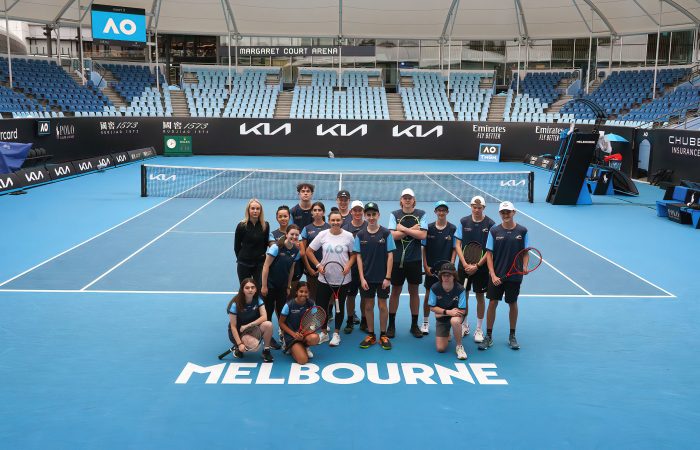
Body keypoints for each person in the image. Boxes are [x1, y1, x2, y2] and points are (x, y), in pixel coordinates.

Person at [479, 201, 530, 351]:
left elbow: (525, 252)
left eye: (508, 212)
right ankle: (488, 336)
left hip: (514, 276)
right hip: (497, 275)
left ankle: (512, 336)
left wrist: (525, 266)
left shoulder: (522, 231)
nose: (506, 214)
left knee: (512, 303)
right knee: (492, 303)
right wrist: (493, 274)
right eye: (503, 212)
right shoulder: (494, 231)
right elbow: (489, 254)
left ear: (514, 212)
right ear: (500, 214)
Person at [306, 210, 356, 347]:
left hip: (342, 279)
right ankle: (323, 332)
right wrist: (318, 265)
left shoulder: (349, 236)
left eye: (338, 220)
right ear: (329, 220)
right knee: (322, 307)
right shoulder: (323, 235)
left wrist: (348, 266)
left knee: (339, 308)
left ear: (342, 221)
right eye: (333, 220)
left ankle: (336, 334)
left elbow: (354, 255)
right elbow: (308, 251)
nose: (335, 223)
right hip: (324, 278)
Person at [454, 195, 495, 344]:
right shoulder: (463, 222)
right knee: (463, 296)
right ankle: (465, 325)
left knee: (479, 297)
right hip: (464, 266)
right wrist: (464, 263)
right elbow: (457, 244)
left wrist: (477, 266)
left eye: (479, 207)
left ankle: (479, 328)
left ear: (484, 208)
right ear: (471, 206)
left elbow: (490, 249)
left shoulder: (490, 224)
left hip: (481, 268)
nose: (476, 210)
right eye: (474, 207)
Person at [388, 188, 428, 339]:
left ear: (413, 200)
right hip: (397, 260)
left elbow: (423, 234)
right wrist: (413, 230)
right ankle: (391, 325)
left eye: (409, 197)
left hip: (414, 260)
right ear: (401, 200)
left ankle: (414, 325)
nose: (407, 200)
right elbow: (392, 236)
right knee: (395, 292)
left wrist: (403, 229)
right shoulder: (394, 214)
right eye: (405, 197)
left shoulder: (421, 214)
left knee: (414, 292)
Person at [355, 202, 395, 350]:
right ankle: (371, 335)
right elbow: (358, 257)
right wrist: (362, 278)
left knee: (382, 305)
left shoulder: (386, 233)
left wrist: (388, 277)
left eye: (374, 214)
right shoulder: (360, 235)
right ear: (365, 216)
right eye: (369, 215)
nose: (371, 217)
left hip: (382, 278)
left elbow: (390, 256)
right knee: (369, 305)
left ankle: (383, 334)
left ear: (378, 215)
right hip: (367, 278)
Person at [261, 225, 301, 350]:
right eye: (292, 234)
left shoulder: (296, 250)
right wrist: (264, 285)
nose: (294, 237)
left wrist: (288, 285)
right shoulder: (276, 248)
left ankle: (285, 336)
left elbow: (292, 269)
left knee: (282, 313)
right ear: (287, 234)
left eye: (296, 235)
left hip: (282, 286)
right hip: (270, 285)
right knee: (267, 312)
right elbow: (266, 266)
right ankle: (267, 337)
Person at [420, 200, 456, 335]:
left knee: (449, 296)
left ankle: (449, 325)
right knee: (429, 295)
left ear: (447, 212)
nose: (441, 212)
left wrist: (451, 265)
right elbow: (423, 248)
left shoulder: (452, 229)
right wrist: (425, 265)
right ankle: (425, 322)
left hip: (447, 271)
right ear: (435, 212)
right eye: (439, 210)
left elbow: (454, 249)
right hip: (432, 269)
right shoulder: (428, 228)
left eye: (443, 210)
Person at [227, 278, 274, 362]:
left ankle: (266, 351)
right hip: (239, 332)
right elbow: (233, 326)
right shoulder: (235, 304)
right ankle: (237, 346)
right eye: (247, 288)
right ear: (242, 290)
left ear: (256, 289)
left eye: (253, 287)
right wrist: (240, 343)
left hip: (251, 329)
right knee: (254, 346)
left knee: (268, 324)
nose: (250, 290)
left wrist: (247, 326)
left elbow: (264, 317)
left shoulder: (258, 300)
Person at [428, 263, 467, 360]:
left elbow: (462, 310)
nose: (446, 277)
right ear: (441, 276)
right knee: (440, 349)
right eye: (444, 275)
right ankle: (447, 332)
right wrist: (447, 312)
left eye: (449, 275)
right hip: (444, 315)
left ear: (454, 276)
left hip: (456, 315)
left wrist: (443, 313)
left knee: (454, 321)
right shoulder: (435, 288)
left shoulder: (460, 289)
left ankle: (459, 346)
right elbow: (432, 307)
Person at [279, 282, 321, 365]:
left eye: (306, 292)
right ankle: (290, 347)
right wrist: (294, 334)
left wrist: (308, 331)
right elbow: (281, 323)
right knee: (303, 360)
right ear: (296, 292)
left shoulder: (312, 304)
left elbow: (315, 321)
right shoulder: (288, 305)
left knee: (315, 338)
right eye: (301, 291)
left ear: (308, 293)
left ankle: (305, 346)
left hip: (305, 333)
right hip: (291, 335)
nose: (303, 294)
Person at [341, 200, 367, 334]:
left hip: (367, 268)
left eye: (360, 210)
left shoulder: (369, 226)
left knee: (364, 296)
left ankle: (364, 320)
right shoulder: (345, 228)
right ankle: (350, 321)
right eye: (355, 210)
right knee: (350, 296)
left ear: (363, 212)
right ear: (351, 212)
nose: (357, 213)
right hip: (351, 268)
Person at [234, 199, 270, 286]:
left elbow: (265, 244)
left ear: (260, 211)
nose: (255, 211)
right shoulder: (241, 226)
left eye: (258, 209)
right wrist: (243, 258)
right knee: (244, 289)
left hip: (259, 264)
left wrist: (260, 256)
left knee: (259, 288)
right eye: (252, 208)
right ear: (248, 210)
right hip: (244, 264)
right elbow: (237, 246)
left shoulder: (265, 225)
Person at [299, 201, 330, 300]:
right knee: (312, 294)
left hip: (327, 267)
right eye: (315, 210)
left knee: (327, 294)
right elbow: (303, 252)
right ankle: (313, 314)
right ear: (312, 213)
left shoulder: (329, 228)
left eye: (319, 210)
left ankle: (328, 314)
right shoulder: (307, 229)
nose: (317, 212)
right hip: (312, 268)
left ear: (323, 212)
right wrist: (309, 268)